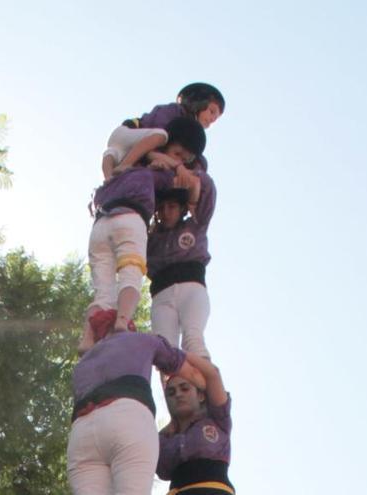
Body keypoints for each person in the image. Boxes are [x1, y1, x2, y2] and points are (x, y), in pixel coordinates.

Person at [79, 118, 206, 355]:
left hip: (100, 224)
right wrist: (171, 166)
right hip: (130, 218)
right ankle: (121, 322)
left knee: (103, 291)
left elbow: (108, 158)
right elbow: (191, 184)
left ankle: (87, 338)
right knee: (130, 273)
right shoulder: (152, 176)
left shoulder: (112, 179)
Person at [67, 321, 207, 495]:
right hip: (127, 417)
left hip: (82, 432)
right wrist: (207, 393)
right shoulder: (141, 340)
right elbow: (190, 372)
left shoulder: (84, 363)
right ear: (129, 327)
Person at [148, 168, 216, 358]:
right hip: (161, 294)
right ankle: (174, 387)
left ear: (182, 209)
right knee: (164, 351)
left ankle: (208, 386)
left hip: (191, 287)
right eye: (161, 208)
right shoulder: (151, 241)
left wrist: (187, 172)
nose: (165, 212)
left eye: (171, 207)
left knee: (192, 338)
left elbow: (208, 190)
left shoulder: (195, 225)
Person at [102, 82, 224, 180]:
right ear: (198, 103)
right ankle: (125, 165)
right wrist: (163, 160)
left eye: (216, 118)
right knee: (161, 135)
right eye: (212, 111)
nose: (212, 119)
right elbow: (157, 127)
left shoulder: (191, 136)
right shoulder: (174, 111)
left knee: (113, 153)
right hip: (130, 133)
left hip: (129, 148)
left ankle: (109, 182)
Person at [158, 354, 234, 494]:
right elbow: (162, 471)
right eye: (171, 392)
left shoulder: (216, 419)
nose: (178, 394)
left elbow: (212, 374)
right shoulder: (163, 439)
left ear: (200, 396)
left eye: (185, 388)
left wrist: (171, 352)